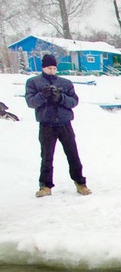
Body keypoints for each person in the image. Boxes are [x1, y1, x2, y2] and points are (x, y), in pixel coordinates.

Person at [25, 53, 92, 198]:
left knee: (73, 154)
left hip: (64, 124)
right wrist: (43, 95)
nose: (52, 71)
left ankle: (80, 183)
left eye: (54, 68)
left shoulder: (65, 83)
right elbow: (31, 103)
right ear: (43, 68)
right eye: (49, 68)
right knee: (47, 156)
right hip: (46, 125)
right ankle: (45, 186)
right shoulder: (33, 82)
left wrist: (60, 97)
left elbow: (73, 102)